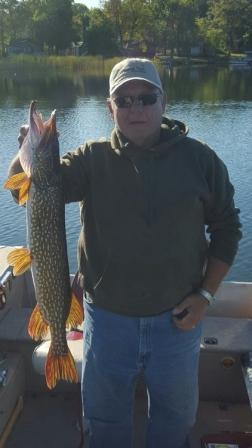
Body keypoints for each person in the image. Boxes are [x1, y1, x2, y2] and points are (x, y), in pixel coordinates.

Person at [8, 58, 242, 448]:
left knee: (173, 420)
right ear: (109, 107)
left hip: (178, 322)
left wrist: (205, 295)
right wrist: (25, 154)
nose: (136, 108)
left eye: (146, 98)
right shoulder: (90, 158)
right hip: (107, 321)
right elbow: (24, 192)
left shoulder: (201, 160)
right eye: (124, 99)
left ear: (164, 102)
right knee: (104, 421)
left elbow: (228, 228)